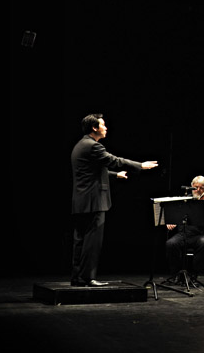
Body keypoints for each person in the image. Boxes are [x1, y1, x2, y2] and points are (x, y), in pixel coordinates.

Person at [70, 114, 158, 287]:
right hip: (94, 201)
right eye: (103, 125)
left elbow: (92, 171)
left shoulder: (81, 145)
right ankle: (88, 278)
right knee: (92, 242)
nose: (106, 128)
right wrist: (140, 165)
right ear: (94, 128)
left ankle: (78, 277)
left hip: (82, 201)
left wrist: (115, 175)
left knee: (80, 241)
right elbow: (114, 160)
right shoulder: (94, 146)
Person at [165, 175, 204, 284]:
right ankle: (176, 274)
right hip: (184, 233)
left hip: (201, 234)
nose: (198, 190)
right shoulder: (184, 200)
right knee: (171, 243)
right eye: (195, 187)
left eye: (201, 188)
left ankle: (194, 275)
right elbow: (176, 214)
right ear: (191, 186)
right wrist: (172, 221)